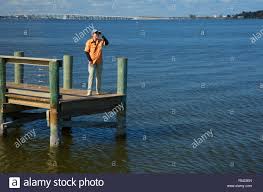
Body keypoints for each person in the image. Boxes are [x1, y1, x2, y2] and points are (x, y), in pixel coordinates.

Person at [84, 29, 109, 96]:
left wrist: (102, 36)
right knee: (91, 76)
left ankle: (98, 91)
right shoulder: (89, 42)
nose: (97, 34)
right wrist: (90, 60)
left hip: (99, 61)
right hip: (92, 62)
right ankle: (89, 92)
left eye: (98, 33)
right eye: (96, 33)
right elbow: (86, 52)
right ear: (92, 34)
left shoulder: (101, 41)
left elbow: (107, 43)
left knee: (99, 77)